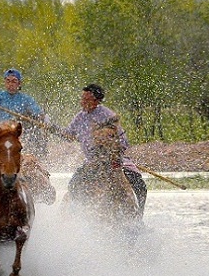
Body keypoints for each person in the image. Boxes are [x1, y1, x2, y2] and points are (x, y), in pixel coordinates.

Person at [61, 83, 147, 216]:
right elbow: (68, 135)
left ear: (96, 101)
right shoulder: (80, 117)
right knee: (73, 185)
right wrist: (52, 128)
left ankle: (138, 218)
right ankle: (77, 217)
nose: (82, 102)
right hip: (92, 162)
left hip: (115, 160)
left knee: (139, 185)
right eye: (82, 99)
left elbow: (123, 142)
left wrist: (107, 149)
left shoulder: (108, 116)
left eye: (86, 99)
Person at [0, 68, 49, 155]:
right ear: (5, 82)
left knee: (16, 149)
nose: (10, 84)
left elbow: (37, 114)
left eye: (14, 81)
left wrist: (44, 118)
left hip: (16, 138)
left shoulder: (26, 100)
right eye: (8, 81)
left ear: (19, 83)